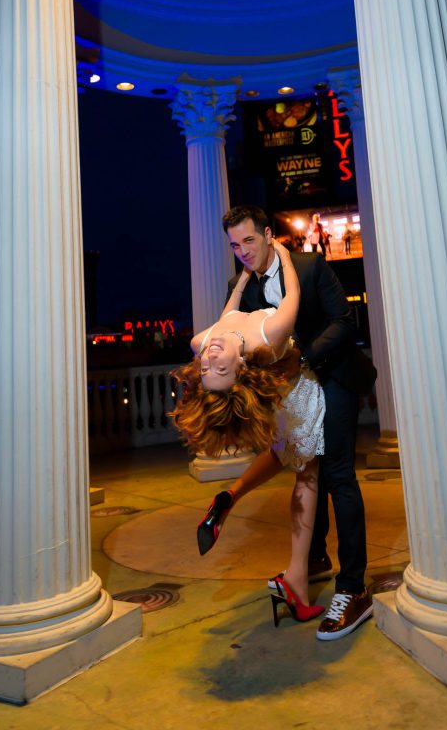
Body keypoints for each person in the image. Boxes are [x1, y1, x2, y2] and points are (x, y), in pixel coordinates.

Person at [221, 204, 376, 641]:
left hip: (333, 375)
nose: (243, 252)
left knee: (339, 475)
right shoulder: (240, 286)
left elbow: (343, 323)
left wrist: (302, 359)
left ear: (269, 234)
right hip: (293, 390)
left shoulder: (309, 265)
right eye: (235, 245)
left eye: (249, 240)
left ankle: (353, 589)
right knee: (310, 467)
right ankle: (316, 559)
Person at [173, 237, 325, 626]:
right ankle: (296, 578)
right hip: (299, 387)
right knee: (306, 474)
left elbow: (227, 313)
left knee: (280, 452)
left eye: (207, 371)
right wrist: (286, 256)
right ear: (239, 367)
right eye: (219, 368)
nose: (209, 361)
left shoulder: (200, 342)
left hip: (276, 390)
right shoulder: (268, 335)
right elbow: (293, 293)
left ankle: (230, 494)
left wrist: (243, 278)